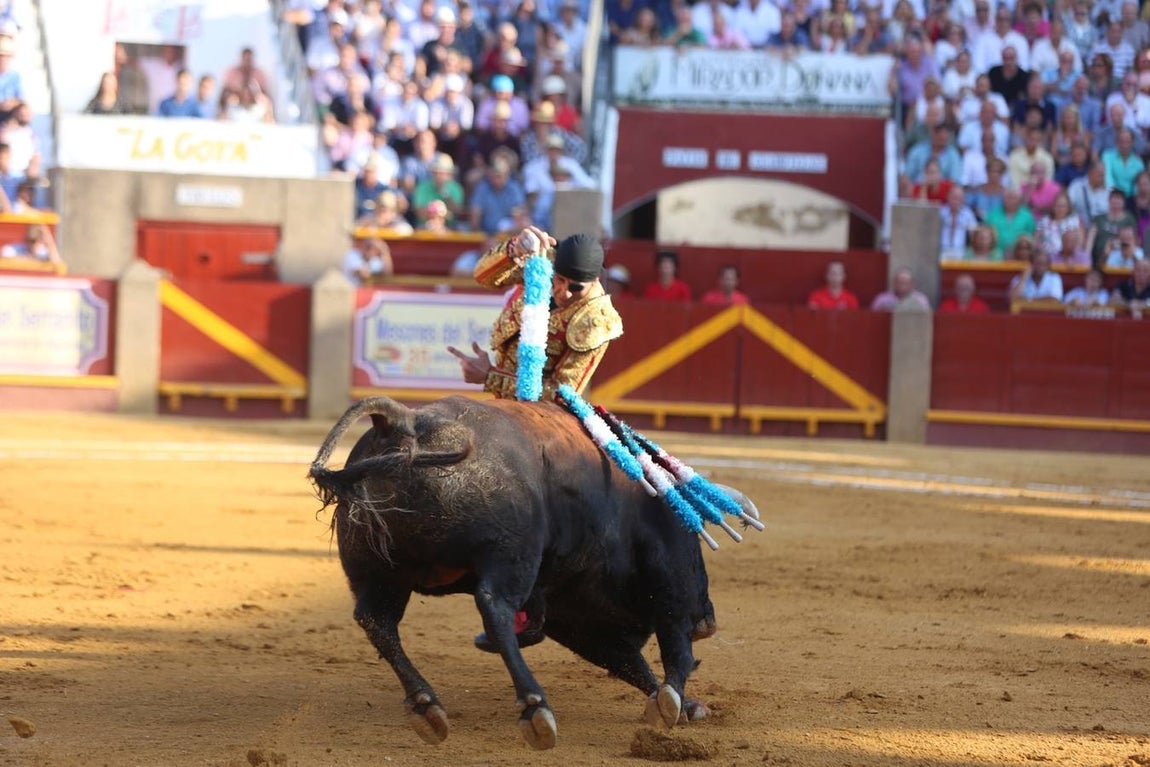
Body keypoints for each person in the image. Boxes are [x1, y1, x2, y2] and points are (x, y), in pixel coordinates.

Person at [450, 228, 624, 654]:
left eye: (572, 287)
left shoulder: (596, 319)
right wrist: (514, 248)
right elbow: (483, 276)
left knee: (524, 511)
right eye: (558, 282)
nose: (561, 292)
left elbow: (561, 394)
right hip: (502, 406)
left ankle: (525, 612)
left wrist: (487, 375)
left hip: (545, 421)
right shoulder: (542, 264)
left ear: (594, 282)